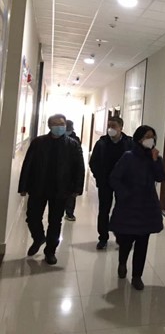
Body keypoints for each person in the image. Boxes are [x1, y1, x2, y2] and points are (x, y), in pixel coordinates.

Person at [18, 113, 85, 265]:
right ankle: (39, 238)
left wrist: (77, 188)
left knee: (55, 222)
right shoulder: (38, 142)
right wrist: (23, 186)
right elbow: (28, 164)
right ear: (49, 126)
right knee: (32, 217)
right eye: (55, 124)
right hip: (38, 186)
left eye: (61, 124)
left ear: (65, 125)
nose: (59, 127)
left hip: (61, 189)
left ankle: (50, 251)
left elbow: (79, 168)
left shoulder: (72, 144)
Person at [109, 125, 165, 290]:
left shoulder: (155, 157)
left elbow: (161, 177)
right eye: (147, 136)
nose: (151, 140)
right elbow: (114, 178)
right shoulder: (128, 157)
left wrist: (155, 161)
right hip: (129, 206)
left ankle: (137, 276)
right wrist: (125, 194)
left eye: (153, 136)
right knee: (126, 241)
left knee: (142, 243)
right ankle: (122, 263)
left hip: (147, 207)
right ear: (139, 139)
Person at [89, 116, 133, 249]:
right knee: (104, 210)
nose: (110, 129)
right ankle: (103, 238)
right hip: (105, 182)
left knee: (122, 210)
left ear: (121, 128)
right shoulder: (101, 143)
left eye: (113, 126)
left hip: (123, 183)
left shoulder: (129, 143)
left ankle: (121, 237)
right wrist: (99, 177)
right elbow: (93, 162)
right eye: (109, 126)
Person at [64, 119, 81, 221]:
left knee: (71, 194)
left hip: (71, 171)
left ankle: (69, 213)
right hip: (60, 170)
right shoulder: (58, 138)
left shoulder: (75, 140)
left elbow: (78, 158)